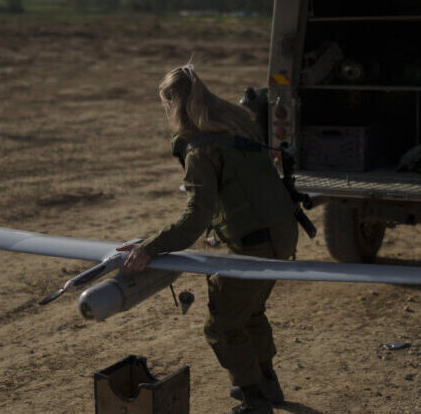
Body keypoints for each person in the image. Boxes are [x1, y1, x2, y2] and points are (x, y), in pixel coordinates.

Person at [117, 65, 299, 414]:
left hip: (251, 244)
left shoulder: (201, 149)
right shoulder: (239, 124)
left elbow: (194, 220)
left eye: (164, 105)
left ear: (173, 104)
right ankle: (267, 383)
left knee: (222, 325)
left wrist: (148, 248)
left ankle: (255, 400)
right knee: (250, 312)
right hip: (282, 235)